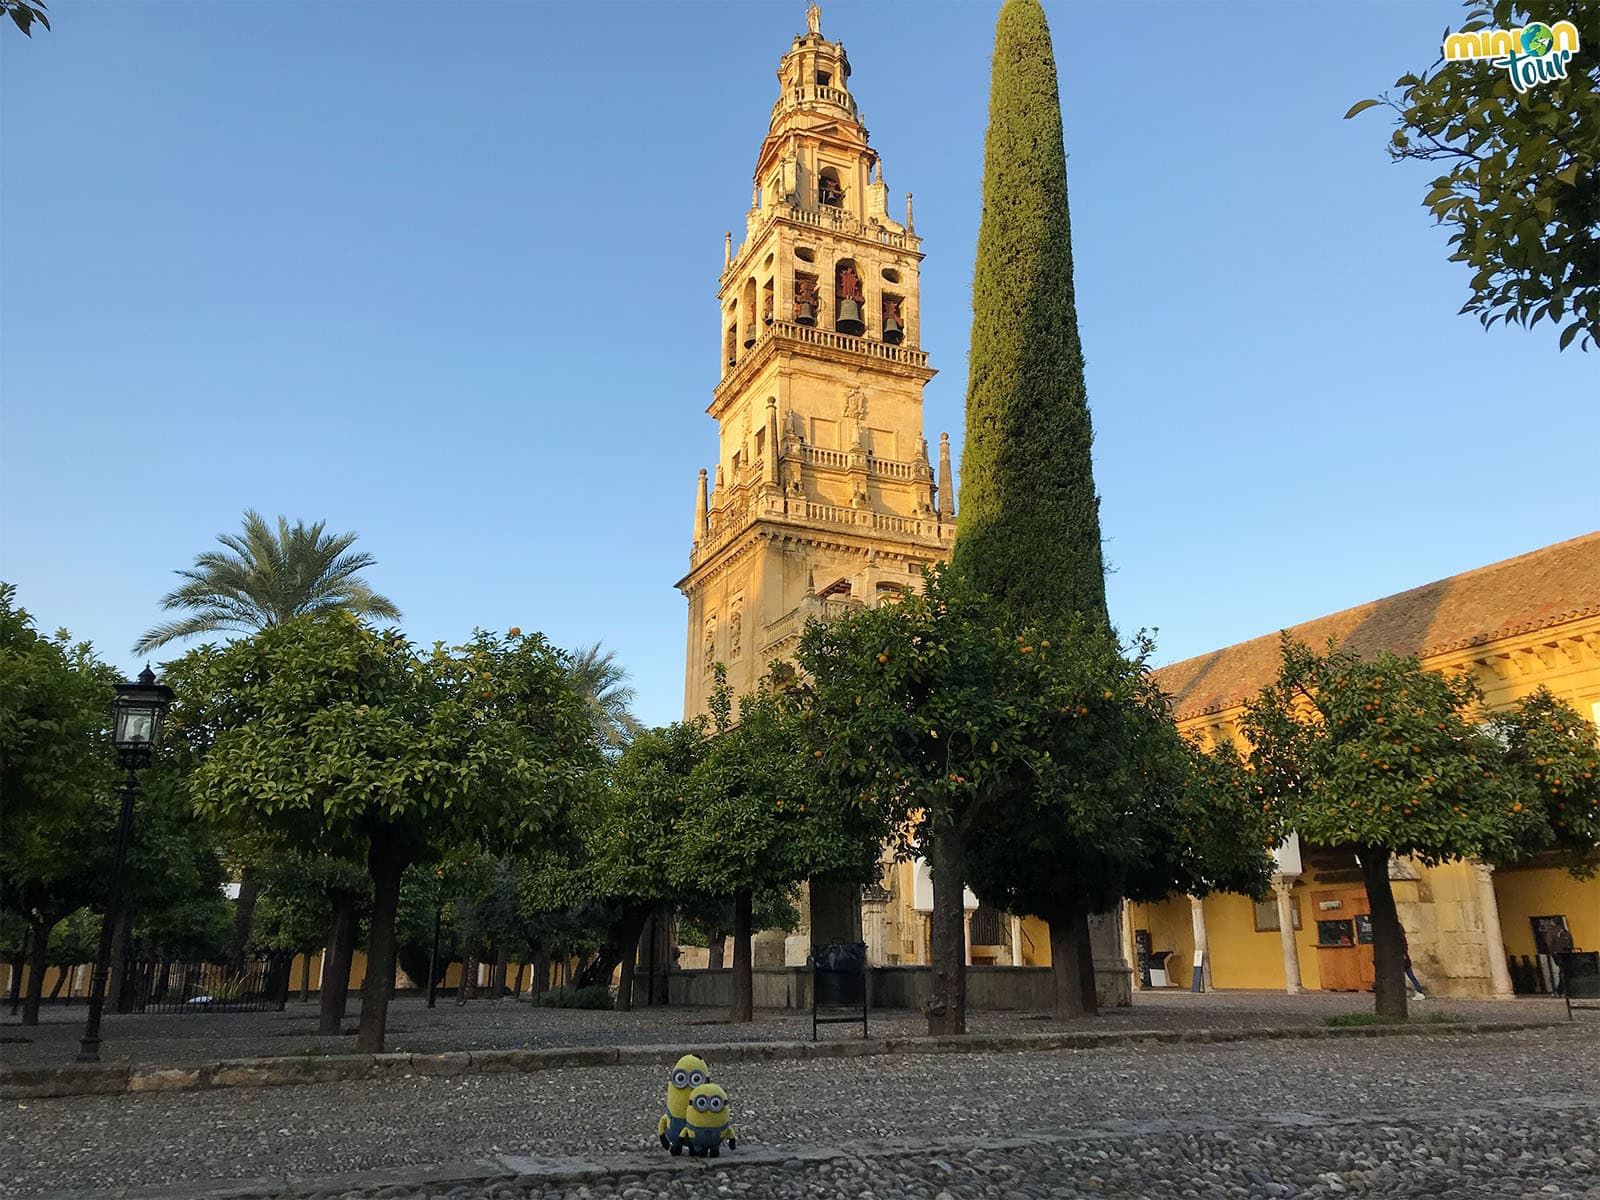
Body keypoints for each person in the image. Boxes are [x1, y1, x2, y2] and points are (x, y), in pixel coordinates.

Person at [1400, 929, 1426, 999]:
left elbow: (1403, 950)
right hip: (1405, 961)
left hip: (1403, 962)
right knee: (1411, 977)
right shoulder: (1402, 938)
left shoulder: (1400, 939)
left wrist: (1403, 956)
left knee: (1410, 977)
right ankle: (1418, 991)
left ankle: (1419, 992)